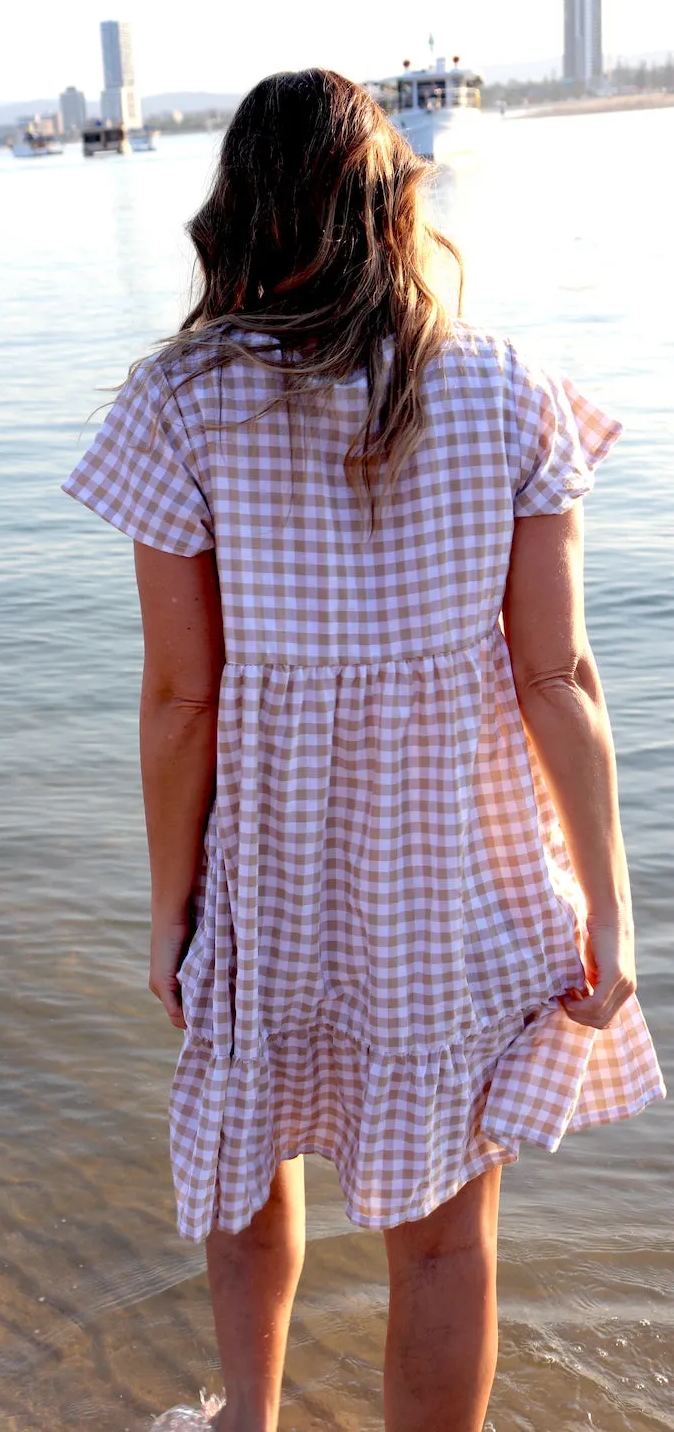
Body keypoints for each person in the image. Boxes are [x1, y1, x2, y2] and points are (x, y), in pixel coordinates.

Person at [62, 70, 665, 1432]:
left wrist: (169, 911)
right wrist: (613, 911)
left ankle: (249, 1420)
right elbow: (559, 677)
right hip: (461, 881)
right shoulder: (509, 388)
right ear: (397, 206)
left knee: (244, 1159)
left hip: (271, 875)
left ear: (241, 209)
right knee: (446, 1242)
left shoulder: (181, 401)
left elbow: (180, 699)